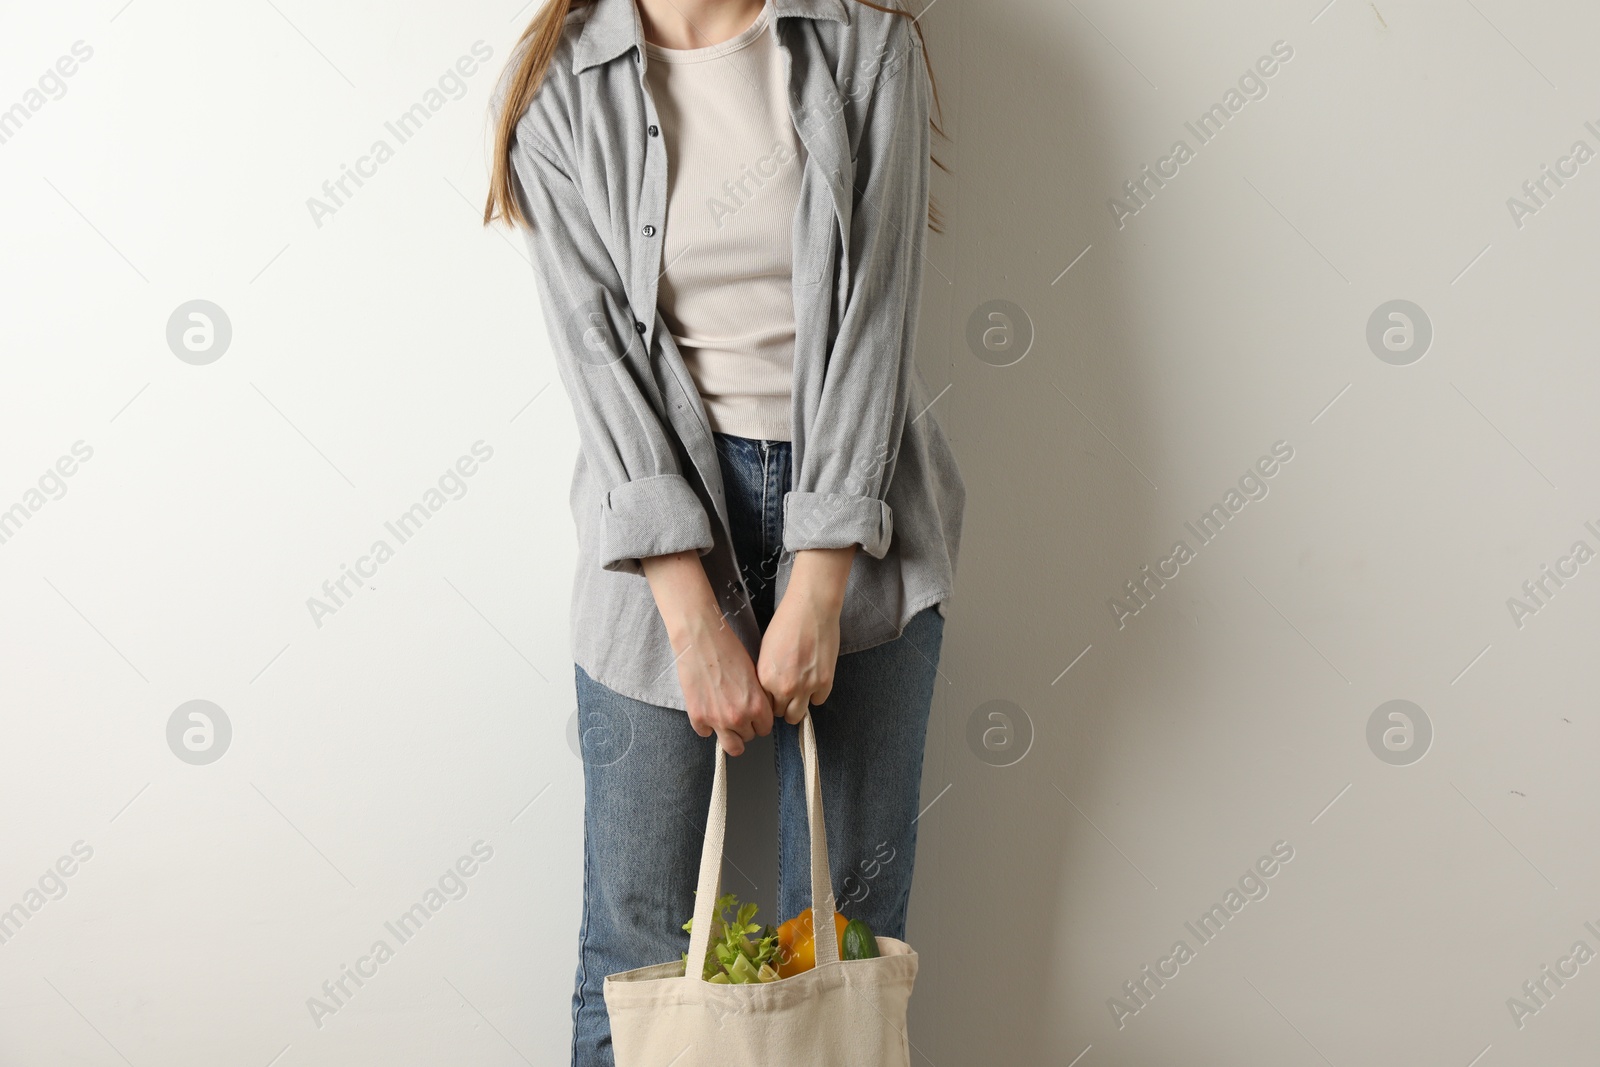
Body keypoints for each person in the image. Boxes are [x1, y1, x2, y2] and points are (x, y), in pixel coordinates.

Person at [484, 0, 964, 1060]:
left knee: (840, 949)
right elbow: (597, 361)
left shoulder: (863, 44)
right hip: (654, 526)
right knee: (629, 957)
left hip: (864, 511)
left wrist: (822, 576)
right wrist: (689, 610)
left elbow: (878, 318)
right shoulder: (558, 88)